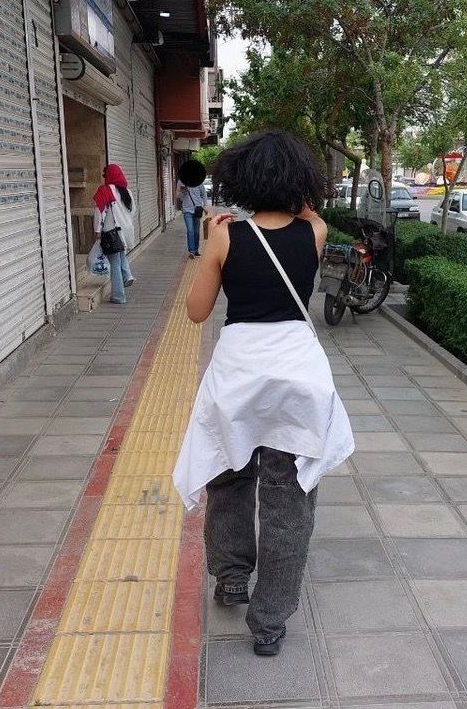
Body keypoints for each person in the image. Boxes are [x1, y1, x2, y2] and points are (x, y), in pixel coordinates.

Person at [172, 130, 355, 657]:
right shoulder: (314, 231)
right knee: (288, 499)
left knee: (229, 477)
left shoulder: (227, 237)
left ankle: (231, 576)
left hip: (240, 378)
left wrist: (211, 244)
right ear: (301, 183)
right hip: (298, 382)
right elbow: (308, 210)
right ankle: (271, 621)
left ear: (241, 180)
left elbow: (197, 310)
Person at [94, 164, 137, 304]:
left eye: (104, 175)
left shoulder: (105, 190)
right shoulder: (127, 192)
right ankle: (127, 275)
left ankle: (118, 296)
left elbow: (99, 213)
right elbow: (133, 211)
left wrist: (97, 231)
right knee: (120, 255)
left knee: (114, 263)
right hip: (126, 230)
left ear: (109, 176)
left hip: (112, 232)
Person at [176, 174, 207, 258]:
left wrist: (205, 206)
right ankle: (191, 251)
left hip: (197, 210)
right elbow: (178, 196)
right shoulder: (181, 182)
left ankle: (196, 250)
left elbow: (204, 194)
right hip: (187, 210)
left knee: (196, 231)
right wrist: (183, 192)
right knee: (190, 230)